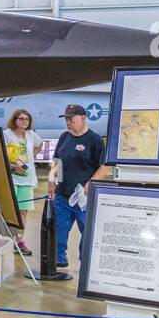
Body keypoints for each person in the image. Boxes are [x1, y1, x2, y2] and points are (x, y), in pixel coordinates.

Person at [48, 103, 108, 269]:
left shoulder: (94, 140)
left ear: (83, 118)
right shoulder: (64, 137)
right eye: (66, 119)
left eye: (71, 119)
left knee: (87, 232)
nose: (68, 122)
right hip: (62, 196)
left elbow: (105, 165)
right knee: (59, 230)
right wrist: (51, 180)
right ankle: (59, 259)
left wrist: (91, 183)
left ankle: (86, 261)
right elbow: (57, 160)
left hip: (83, 198)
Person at [2, 108, 42, 255]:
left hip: (27, 179)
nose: (24, 121)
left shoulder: (30, 135)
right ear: (14, 120)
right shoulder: (6, 134)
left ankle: (19, 242)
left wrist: (31, 156)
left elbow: (40, 144)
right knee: (7, 211)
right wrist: (13, 166)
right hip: (11, 178)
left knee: (23, 212)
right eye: (21, 119)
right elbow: (0, 154)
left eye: (27, 119)